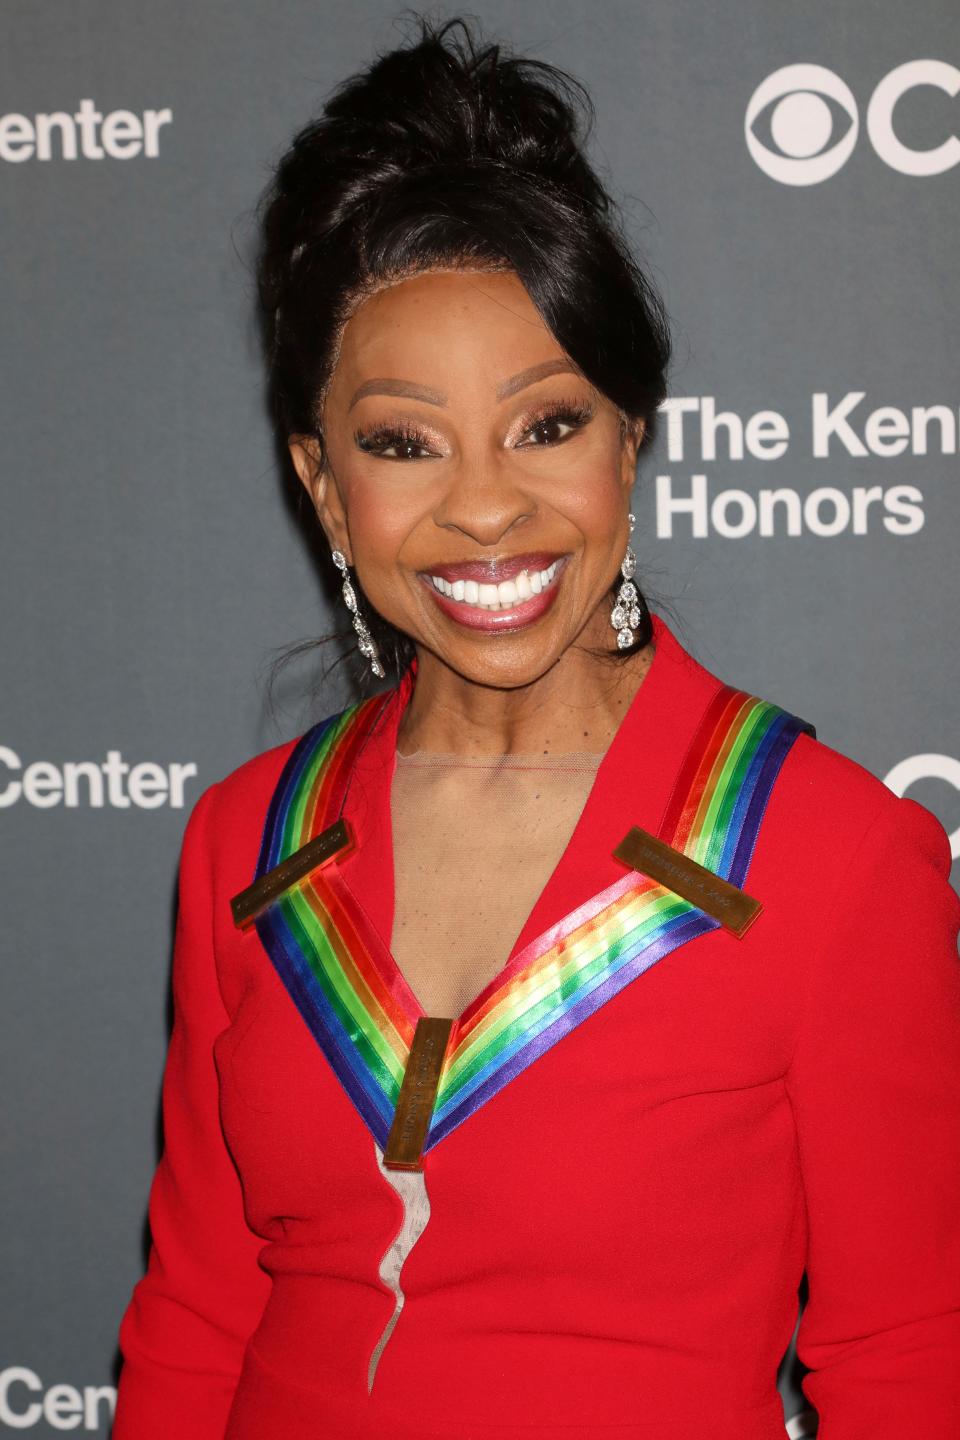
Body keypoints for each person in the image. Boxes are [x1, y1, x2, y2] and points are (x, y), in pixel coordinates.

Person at [112, 16, 960, 1440]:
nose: (486, 507)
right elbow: (200, 1318)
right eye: (402, 443)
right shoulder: (243, 845)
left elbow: (909, 1363)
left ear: (634, 435)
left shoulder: (832, 852)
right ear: (323, 485)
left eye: (547, 424)